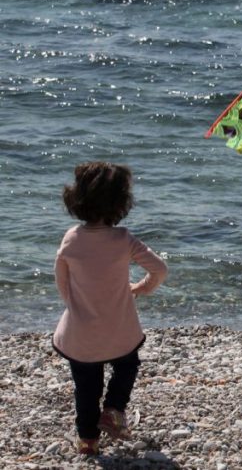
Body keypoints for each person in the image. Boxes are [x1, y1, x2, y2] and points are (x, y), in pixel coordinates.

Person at [52, 162, 168, 455]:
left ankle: (87, 441)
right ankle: (114, 409)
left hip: (80, 334)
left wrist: (75, 305)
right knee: (127, 366)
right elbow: (159, 269)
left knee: (86, 387)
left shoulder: (71, 238)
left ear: (76, 199)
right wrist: (142, 288)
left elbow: (62, 283)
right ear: (121, 203)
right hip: (119, 330)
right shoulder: (123, 239)